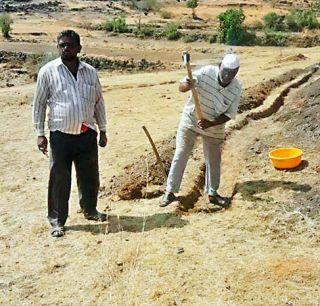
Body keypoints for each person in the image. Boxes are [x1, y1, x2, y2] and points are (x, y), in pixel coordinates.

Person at [32, 30, 108, 237]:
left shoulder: (90, 72)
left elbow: (99, 102)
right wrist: (40, 133)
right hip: (60, 135)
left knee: (89, 176)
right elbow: (39, 104)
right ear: (58, 47)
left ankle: (90, 210)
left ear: (79, 48)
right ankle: (57, 221)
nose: (66, 48)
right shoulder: (48, 71)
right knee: (59, 179)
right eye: (62, 45)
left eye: (70, 45)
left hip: (87, 135)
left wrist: (102, 129)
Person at [160, 53, 242, 207]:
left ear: (236, 72)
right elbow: (181, 87)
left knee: (213, 160)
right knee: (181, 153)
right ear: (220, 66)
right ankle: (169, 192)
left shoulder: (236, 88)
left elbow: (229, 114)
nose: (226, 75)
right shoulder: (205, 73)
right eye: (224, 71)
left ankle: (212, 193)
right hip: (191, 121)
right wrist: (187, 85)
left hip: (214, 126)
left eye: (231, 73)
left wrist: (210, 123)